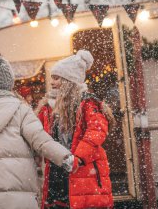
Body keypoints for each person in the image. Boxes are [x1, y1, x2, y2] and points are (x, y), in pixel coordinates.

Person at [0, 46, 75, 209]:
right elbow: (41, 140)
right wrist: (65, 158)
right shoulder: (20, 110)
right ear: (9, 83)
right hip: (19, 199)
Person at [40, 50, 114, 209]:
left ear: (68, 80)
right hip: (57, 174)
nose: (51, 82)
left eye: (56, 78)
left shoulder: (87, 103)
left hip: (84, 171)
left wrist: (78, 158)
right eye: (52, 77)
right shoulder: (48, 107)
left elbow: (96, 131)